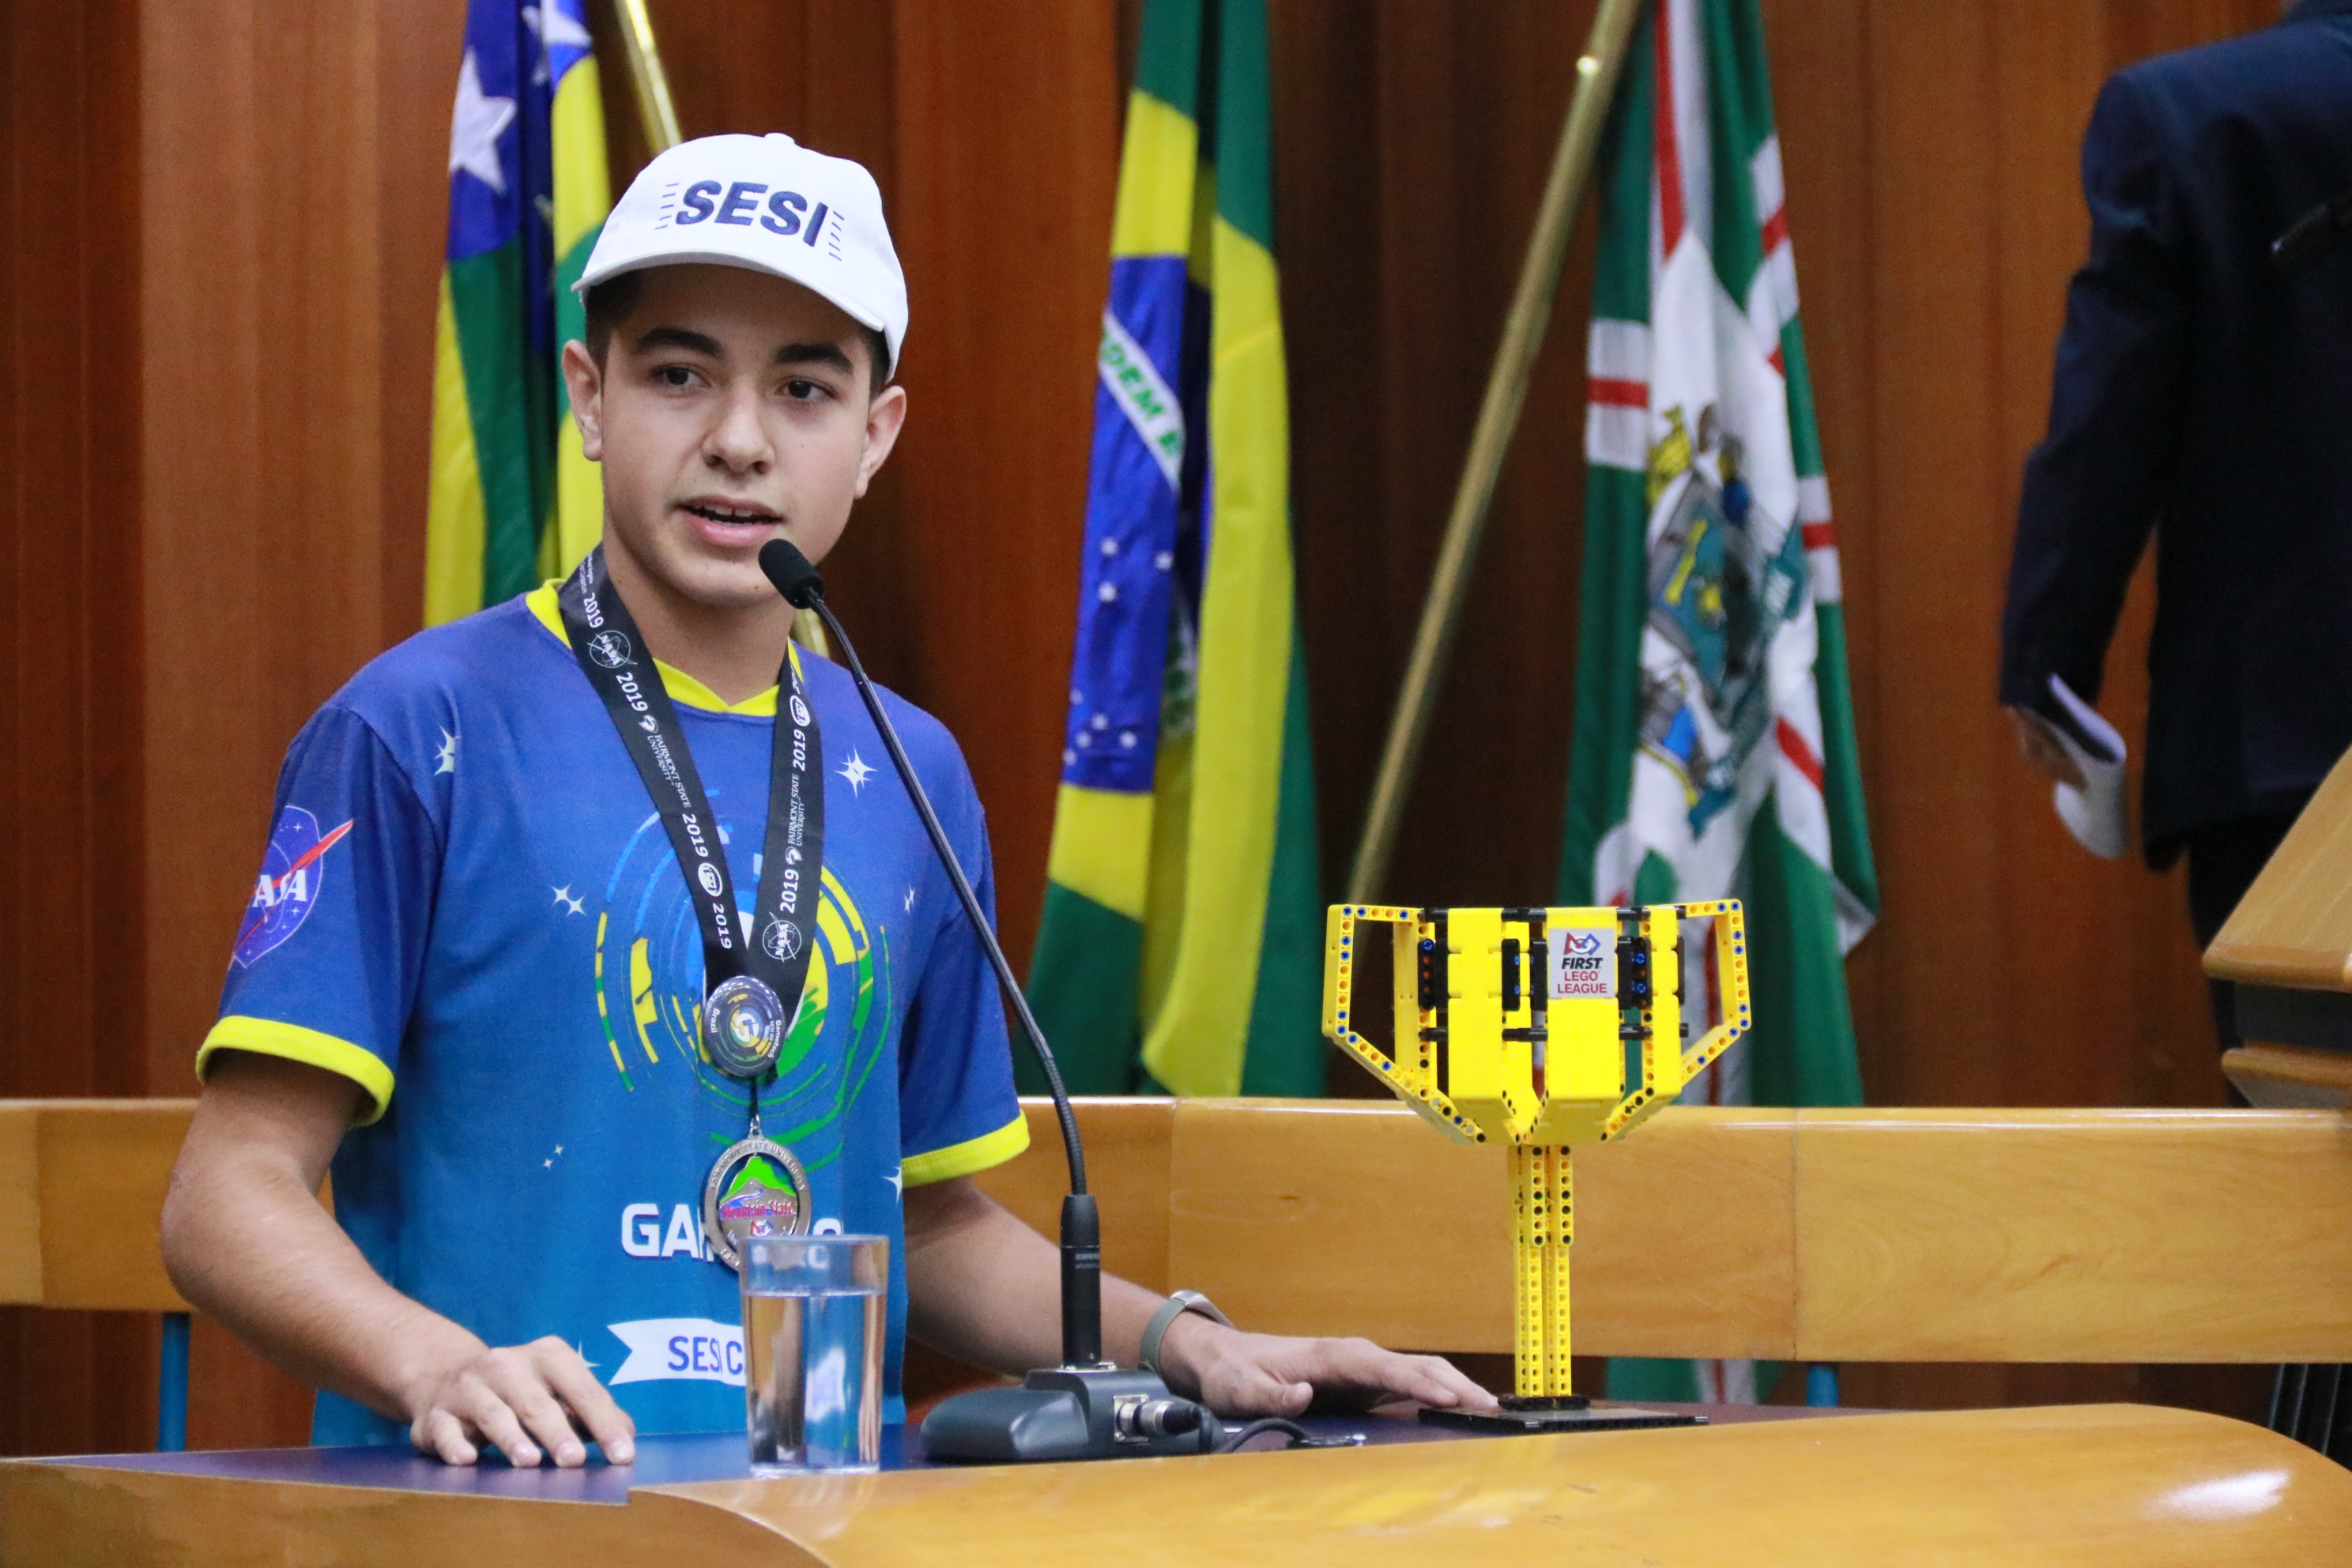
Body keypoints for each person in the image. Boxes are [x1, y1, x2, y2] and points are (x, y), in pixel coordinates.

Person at [161, 133, 1494, 1467]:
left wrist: (1194, 1347)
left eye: (803, 390)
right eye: (679, 376)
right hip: (493, 1522)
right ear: (589, 397)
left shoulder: (914, 768)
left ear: (874, 437)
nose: (738, 442)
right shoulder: (416, 727)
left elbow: (931, 1226)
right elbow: (225, 1197)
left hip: (819, 1523)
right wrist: (437, 1365)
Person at [2000, 1, 2352, 1051]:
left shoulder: (2193, 116)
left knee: (2303, 1129)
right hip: (2281, 755)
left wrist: (2048, 665)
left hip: (2287, 753)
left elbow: (2111, 417)